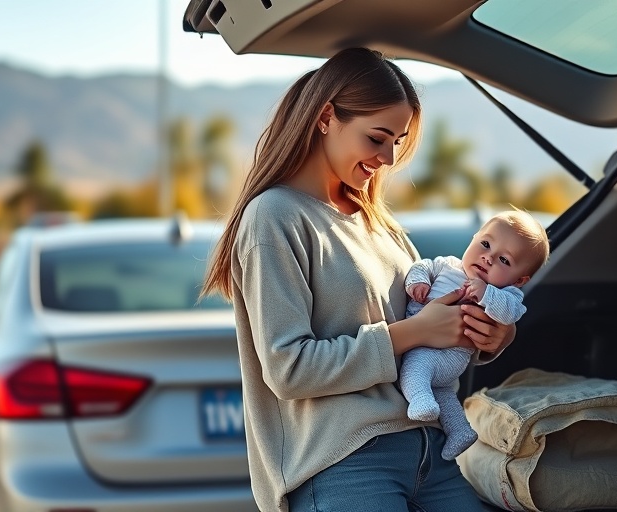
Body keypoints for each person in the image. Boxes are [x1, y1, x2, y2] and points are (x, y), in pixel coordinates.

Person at [201, 47, 516, 512]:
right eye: (377, 138)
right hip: (344, 467)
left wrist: (489, 334)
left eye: (398, 141)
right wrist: (410, 333)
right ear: (327, 117)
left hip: (432, 455)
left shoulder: (379, 224)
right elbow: (289, 369)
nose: (388, 157)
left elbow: (429, 338)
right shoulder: (274, 217)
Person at [400, 209, 550, 461]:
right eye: (485, 244)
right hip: (439, 358)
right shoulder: (447, 265)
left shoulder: (506, 294)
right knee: (445, 393)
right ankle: (460, 431)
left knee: (415, 367)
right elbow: (422, 266)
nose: (488, 258)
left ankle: (419, 400)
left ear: (519, 280)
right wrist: (417, 283)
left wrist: (485, 294)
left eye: (504, 260)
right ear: (473, 238)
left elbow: (511, 313)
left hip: (446, 353)